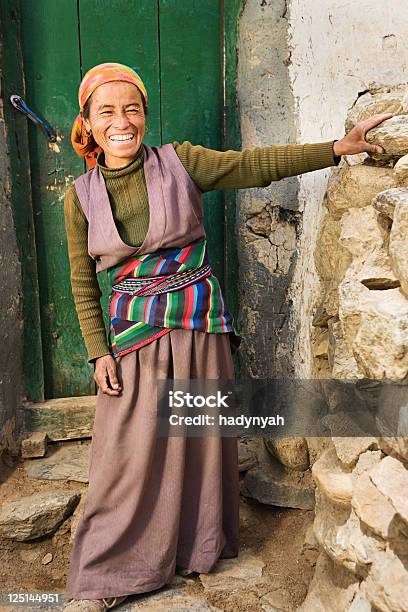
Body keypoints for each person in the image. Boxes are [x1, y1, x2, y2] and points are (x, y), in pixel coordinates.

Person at [62, 62, 391, 611]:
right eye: (107, 112)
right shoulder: (80, 197)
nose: (121, 121)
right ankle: (106, 574)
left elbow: (252, 165)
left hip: (199, 325)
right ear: (90, 124)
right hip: (136, 334)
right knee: (125, 457)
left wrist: (336, 147)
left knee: (197, 438)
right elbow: (80, 283)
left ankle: (193, 548)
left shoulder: (179, 163)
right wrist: (98, 351)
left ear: (144, 115)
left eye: (132, 109)